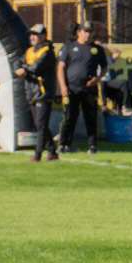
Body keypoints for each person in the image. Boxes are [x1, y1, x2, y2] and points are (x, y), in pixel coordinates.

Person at [56, 21, 107, 154]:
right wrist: (63, 86)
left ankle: (92, 146)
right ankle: (63, 144)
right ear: (79, 32)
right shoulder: (69, 47)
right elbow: (61, 67)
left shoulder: (97, 49)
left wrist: (98, 78)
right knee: (68, 118)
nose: (88, 34)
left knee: (90, 118)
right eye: (85, 31)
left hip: (89, 90)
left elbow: (105, 67)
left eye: (90, 31)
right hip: (71, 89)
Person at [15, 25, 60, 163]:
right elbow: (18, 62)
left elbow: (36, 68)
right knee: (41, 125)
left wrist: (24, 68)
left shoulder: (48, 51)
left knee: (40, 125)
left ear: (44, 36)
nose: (32, 37)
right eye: (31, 34)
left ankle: (38, 154)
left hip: (43, 93)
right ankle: (52, 152)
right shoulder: (29, 51)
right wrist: (20, 68)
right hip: (32, 92)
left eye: (36, 34)